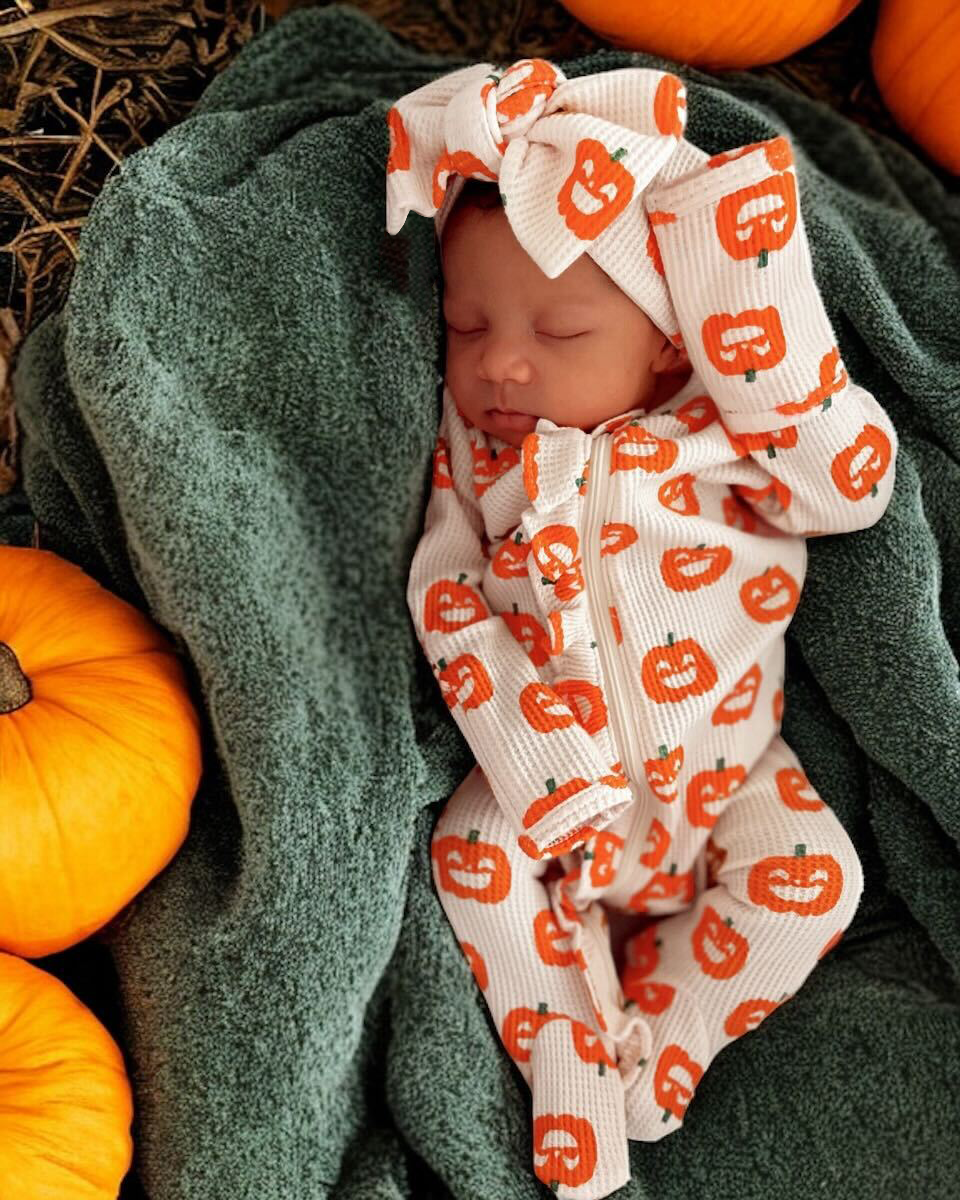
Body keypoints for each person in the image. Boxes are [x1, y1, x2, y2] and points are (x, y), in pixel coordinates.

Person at [386, 57, 897, 1200]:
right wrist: (543, 766)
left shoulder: (730, 440)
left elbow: (850, 485)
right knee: (471, 859)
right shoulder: (481, 466)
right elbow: (447, 598)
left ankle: (660, 1051)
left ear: (670, 341)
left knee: (820, 877)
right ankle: (573, 1073)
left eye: (560, 332)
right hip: (554, 786)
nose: (500, 362)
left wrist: (741, 285)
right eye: (468, 326)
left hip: (727, 775)